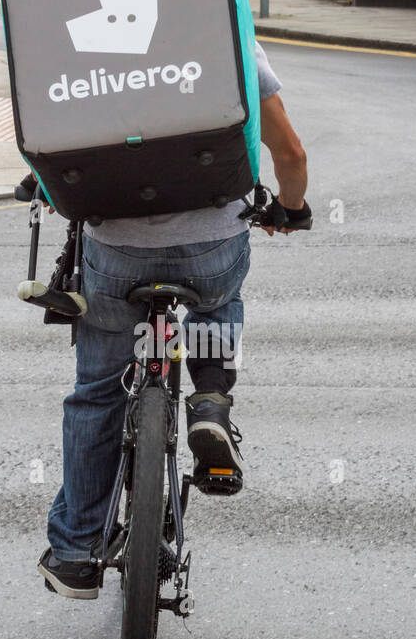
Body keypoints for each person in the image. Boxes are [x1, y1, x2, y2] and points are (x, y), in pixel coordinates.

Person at [27, 40, 310, 599]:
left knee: (97, 391)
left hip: (116, 249)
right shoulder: (225, 35)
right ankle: (210, 402)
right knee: (215, 298)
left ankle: (76, 550)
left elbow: (46, 134)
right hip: (211, 244)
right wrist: (293, 209)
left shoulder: (80, 40)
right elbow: (291, 154)